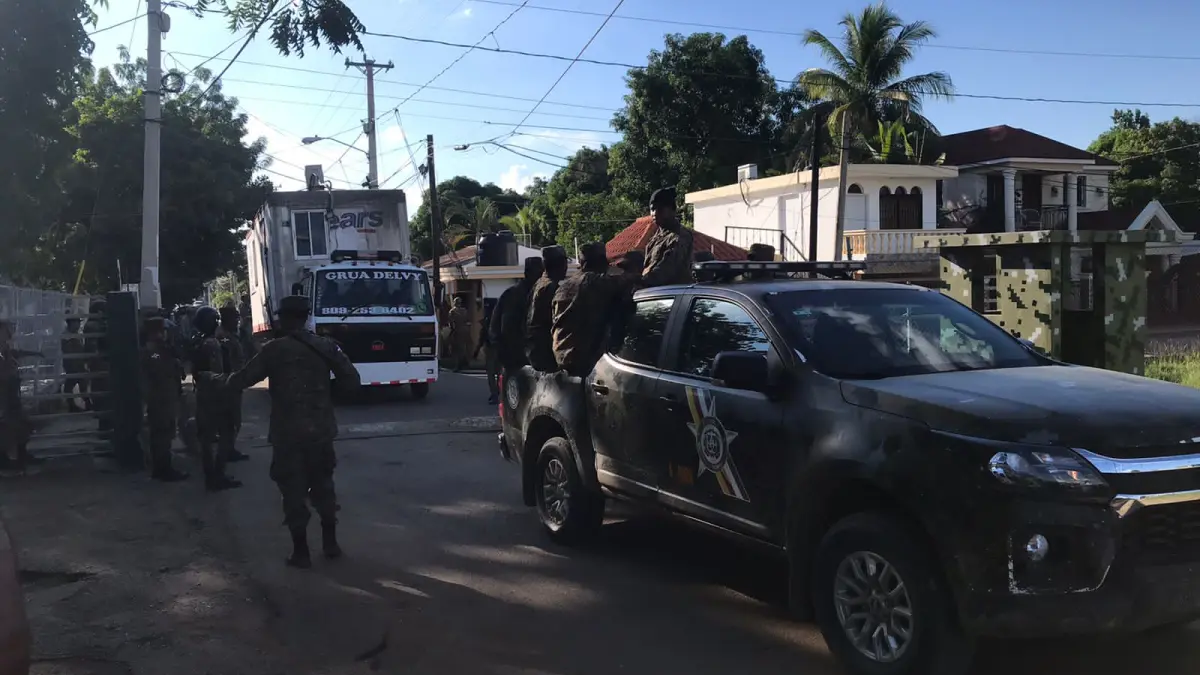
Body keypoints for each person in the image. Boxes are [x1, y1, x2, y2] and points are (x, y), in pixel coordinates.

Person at [218, 295, 361, 568]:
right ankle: (330, 544)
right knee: (324, 484)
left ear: (283, 318)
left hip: (288, 433)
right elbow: (352, 381)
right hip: (320, 430)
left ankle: (301, 552)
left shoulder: (274, 350)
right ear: (306, 316)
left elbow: (244, 379)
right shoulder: (326, 346)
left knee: (292, 489)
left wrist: (218, 382)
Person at [191, 306, 242, 492]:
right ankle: (216, 476)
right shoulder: (211, 344)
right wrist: (230, 382)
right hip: (215, 395)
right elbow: (213, 372)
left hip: (205, 394)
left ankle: (212, 477)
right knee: (225, 432)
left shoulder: (200, 341)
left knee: (207, 437)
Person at [552, 242, 620, 377]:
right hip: (584, 362)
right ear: (601, 262)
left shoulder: (565, 285)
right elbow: (630, 281)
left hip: (562, 357)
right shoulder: (594, 281)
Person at [140, 317, 189, 482]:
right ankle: (163, 469)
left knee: (165, 433)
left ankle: (162, 468)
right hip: (160, 399)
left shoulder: (161, 350)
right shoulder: (153, 352)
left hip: (165, 397)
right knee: (162, 435)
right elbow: (160, 372)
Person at [492, 257, 544, 372]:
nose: (540, 277)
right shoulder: (514, 295)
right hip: (516, 361)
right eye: (538, 273)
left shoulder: (539, 293)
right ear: (527, 273)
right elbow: (507, 329)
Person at [641, 186, 694, 287]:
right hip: (655, 293)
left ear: (672, 210)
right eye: (652, 209)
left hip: (672, 295)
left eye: (660, 209)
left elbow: (666, 271)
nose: (655, 213)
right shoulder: (657, 236)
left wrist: (641, 280)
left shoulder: (679, 237)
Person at [526, 247, 567, 373]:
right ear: (558, 265)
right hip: (546, 351)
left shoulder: (539, 283)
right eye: (564, 263)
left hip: (534, 348)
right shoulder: (551, 287)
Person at [218, 307, 250, 462]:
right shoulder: (223, 337)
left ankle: (229, 449)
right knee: (230, 420)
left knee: (233, 420)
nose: (237, 321)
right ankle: (226, 451)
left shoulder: (231, 335)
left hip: (234, 382)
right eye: (234, 318)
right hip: (227, 384)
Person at [61, 318, 87, 413]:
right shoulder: (67, 337)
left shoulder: (75, 334)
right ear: (70, 323)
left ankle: (77, 405)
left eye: (79, 323)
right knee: (74, 383)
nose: (78, 325)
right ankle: (75, 405)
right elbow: (68, 351)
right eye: (76, 323)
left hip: (78, 363)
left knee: (78, 383)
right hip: (72, 364)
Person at [447, 296, 472, 372]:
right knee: (464, 348)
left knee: (456, 349)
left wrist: (452, 331)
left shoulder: (452, 311)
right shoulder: (465, 311)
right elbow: (468, 321)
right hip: (466, 331)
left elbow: (451, 324)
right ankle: (465, 364)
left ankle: (457, 366)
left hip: (457, 331)